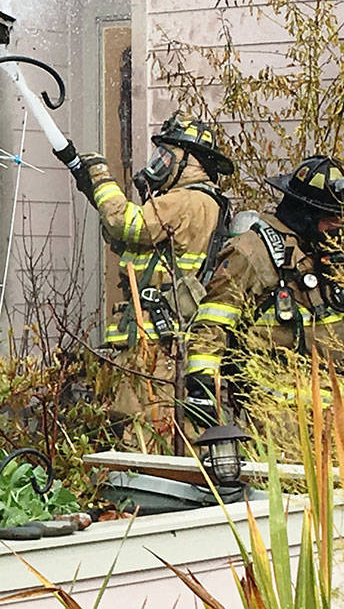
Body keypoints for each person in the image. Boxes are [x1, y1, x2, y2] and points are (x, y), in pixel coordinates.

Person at [60, 114, 233, 433]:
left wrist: (101, 177)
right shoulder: (198, 203)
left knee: (142, 434)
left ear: (190, 161)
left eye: (167, 156)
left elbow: (126, 223)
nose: (159, 164)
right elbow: (128, 240)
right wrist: (93, 193)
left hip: (153, 347)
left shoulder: (187, 200)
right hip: (153, 343)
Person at [186, 155, 344, 422]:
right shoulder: (252, 252)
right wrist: (202, 388)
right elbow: (213, 321)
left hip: (335, 406)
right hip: (280, 412)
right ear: (305, 213)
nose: (339, 228)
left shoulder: (325, 251)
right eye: (333, 219)